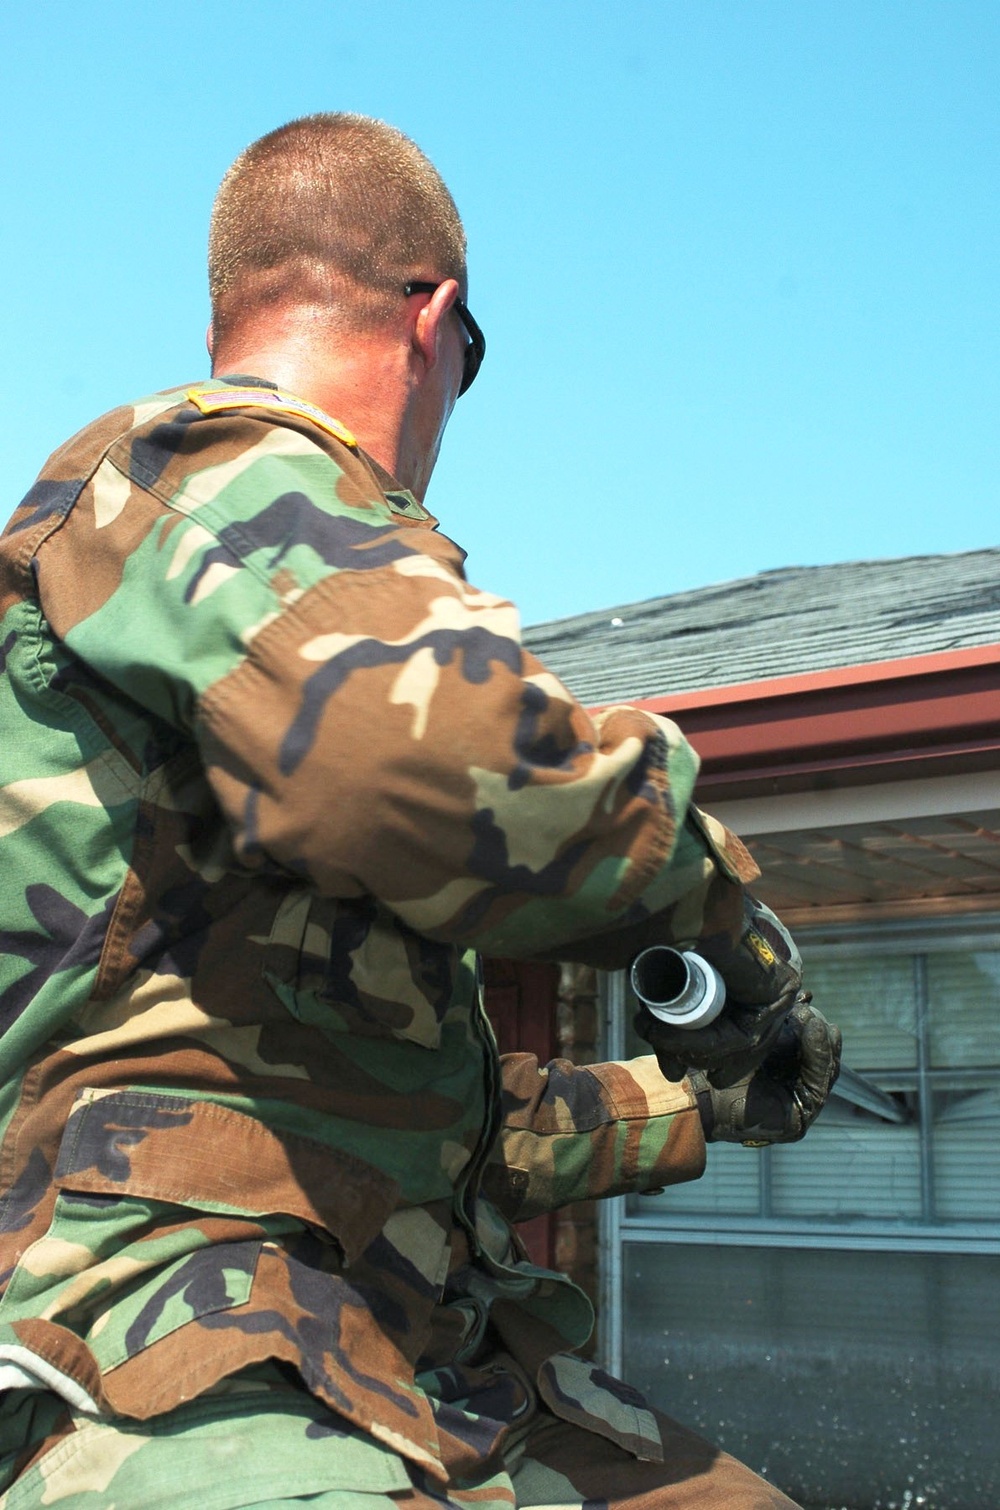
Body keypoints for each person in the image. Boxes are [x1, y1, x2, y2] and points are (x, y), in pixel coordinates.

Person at [0, 113, 840, 1509]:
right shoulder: (199, 473)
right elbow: (428, 764)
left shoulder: (252, 644)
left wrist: (694, 1101)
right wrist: (720, 909)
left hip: (415, 1361)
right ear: (436, 321)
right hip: (179, 1354)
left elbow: (420, 1122)